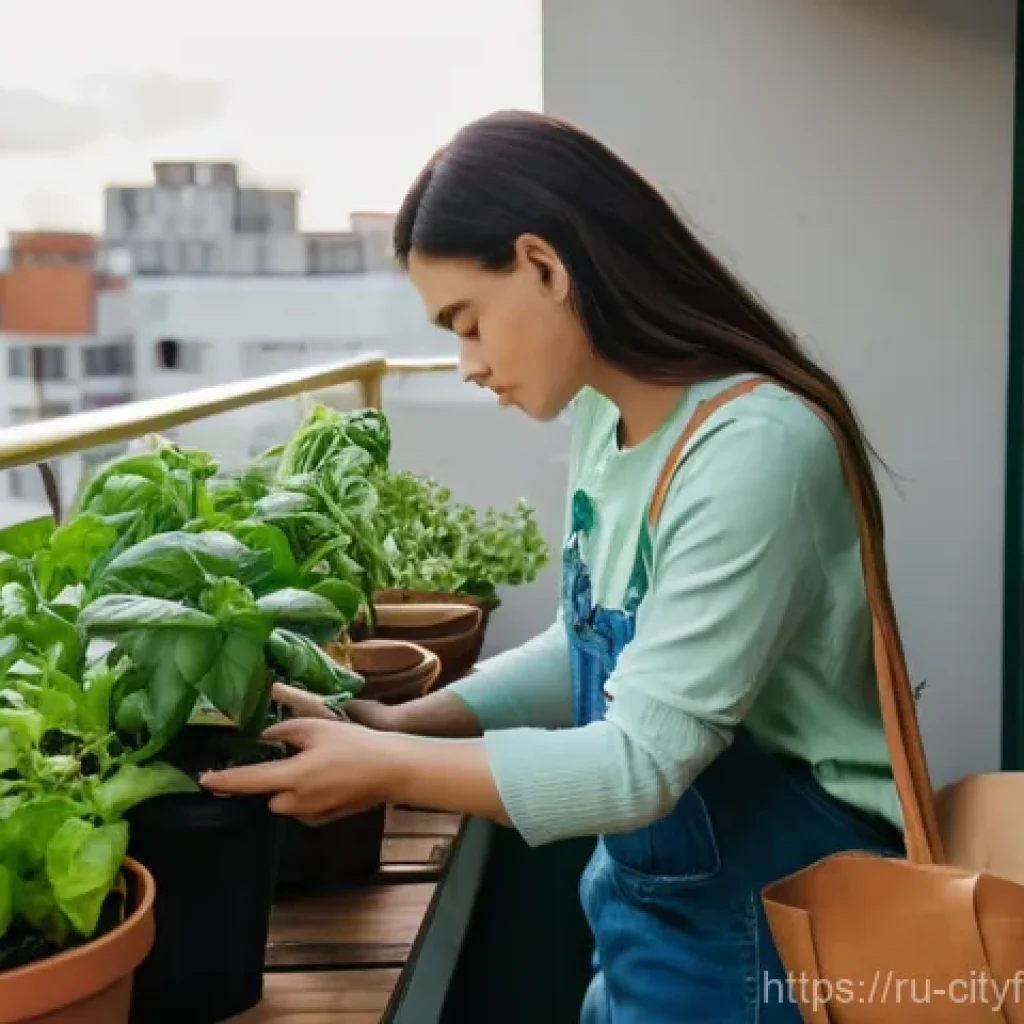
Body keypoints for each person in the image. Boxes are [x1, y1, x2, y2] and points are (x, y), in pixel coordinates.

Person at [201, 109, 905, 1022]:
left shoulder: (754, 449)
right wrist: (408, 719)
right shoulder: (604, 421)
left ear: (544, 265)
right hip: (646, 924)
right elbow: (590, 640)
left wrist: (384, 767)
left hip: (780, 946)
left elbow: (639, 767)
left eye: (468, 321)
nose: (465, 363)